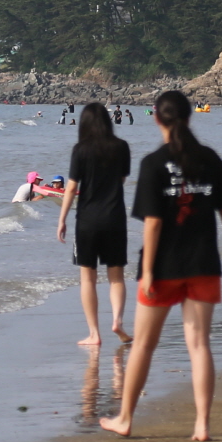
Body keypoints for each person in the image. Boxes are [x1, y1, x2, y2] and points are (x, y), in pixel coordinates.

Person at [99, 90, 222, 441]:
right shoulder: (208, 158)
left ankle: (126, 420)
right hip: (203, 262)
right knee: (199, 345)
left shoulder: (153, 163)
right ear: (190, 116)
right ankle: (202, 425)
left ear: (156, 118)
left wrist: (148, 271)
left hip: (163, 267)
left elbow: (152, 223)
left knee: (144, 346)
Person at [59, 102, 133, 347]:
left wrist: (62, 219)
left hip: (87, 220)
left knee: (88, 278)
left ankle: (94, 334)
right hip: (115, 217)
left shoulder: (80, 150)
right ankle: (118, 321)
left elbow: (71, 187)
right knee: (116, 275)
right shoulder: (121, 147)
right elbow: (121, 179)